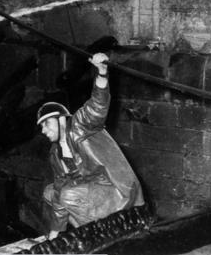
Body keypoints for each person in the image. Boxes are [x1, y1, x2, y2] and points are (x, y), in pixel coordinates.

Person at [37, 53, 144, 240]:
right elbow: (59, 189)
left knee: (68, 195)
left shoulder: (81, 126)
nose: (43, 131)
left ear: (61, 119)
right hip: (91, 193)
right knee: (50, 192)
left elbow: (97, 106)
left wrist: (101, 73)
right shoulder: (55, 154)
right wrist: (54, 234)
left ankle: (99, 236)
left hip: (115, 189)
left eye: (46, 124)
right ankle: (85, 233)